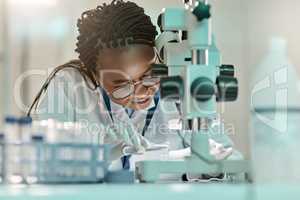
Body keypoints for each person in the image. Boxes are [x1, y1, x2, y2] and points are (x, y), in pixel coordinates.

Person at [28, 0, 234, 172]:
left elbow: (224, 153)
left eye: (149, 76)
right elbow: (40, 161)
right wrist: (98, 154)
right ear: (95, 74)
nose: (140, 91)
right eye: (122, 84)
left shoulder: (179, 77)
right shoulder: (69, 86)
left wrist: (197, 157)